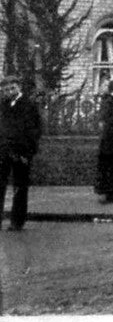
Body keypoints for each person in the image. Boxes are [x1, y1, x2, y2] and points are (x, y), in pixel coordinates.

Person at [0, 75, 42, 230]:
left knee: (20, 187)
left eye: (12, 88)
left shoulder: (29, 105)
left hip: (21, 152)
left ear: (19, 87)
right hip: (3, 151)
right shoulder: (3, 105)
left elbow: (35, 130)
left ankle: (17, 222)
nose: (9, 92)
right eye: (6, 90)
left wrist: (27, 152)